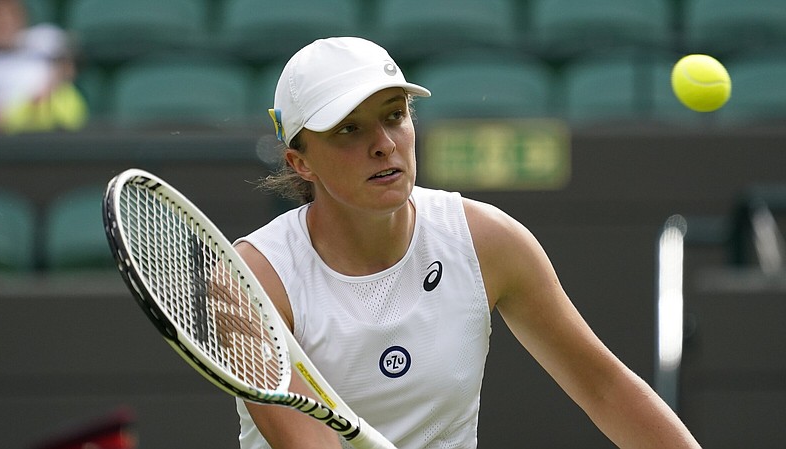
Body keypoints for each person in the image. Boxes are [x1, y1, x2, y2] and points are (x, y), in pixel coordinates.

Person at [233, 37, 701, 449]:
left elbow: (605, 389)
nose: (384, 144)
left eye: (394, 115)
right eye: (348, 129)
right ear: (300, 162)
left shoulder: (487, 241)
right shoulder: (251, 280)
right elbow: (309, 443)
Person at [0, 0, 87, 134]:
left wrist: (52, 84)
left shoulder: (44, 37)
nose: (3, 24)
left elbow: (71, 63)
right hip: (10, 130)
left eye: (8, 17)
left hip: (53, 115)